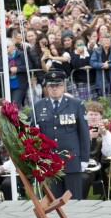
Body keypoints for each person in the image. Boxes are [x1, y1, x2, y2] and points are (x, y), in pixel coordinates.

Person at [32, 70, 90, 200]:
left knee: (74, 201)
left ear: (63, 86)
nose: (54, 89)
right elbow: (32, 134)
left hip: (71, 160)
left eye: (58, 86)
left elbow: (84, 134)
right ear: (47, 88)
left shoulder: (76, 104)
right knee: (53, 202)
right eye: (51, 86)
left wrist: (84, 158)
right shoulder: (38, 106)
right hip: (49, 161)